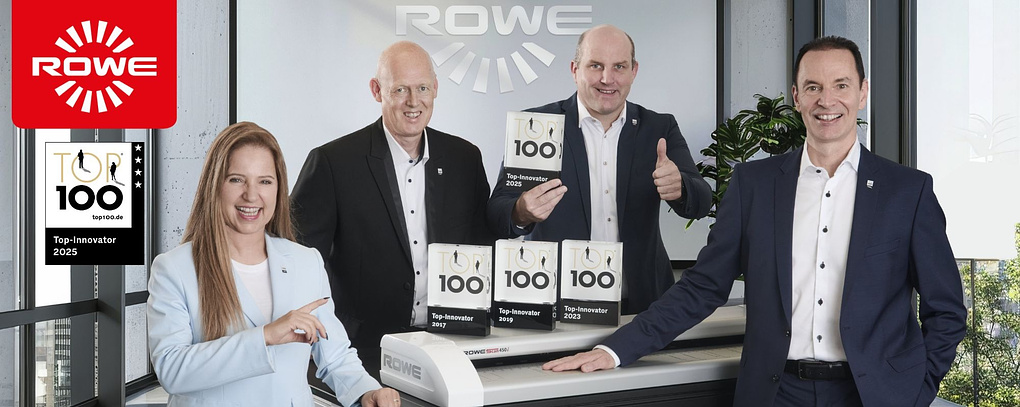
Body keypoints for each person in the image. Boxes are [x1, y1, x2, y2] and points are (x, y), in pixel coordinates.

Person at [542, 36, 968, 407]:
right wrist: (616, 350)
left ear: (862, 93)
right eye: (813, 87)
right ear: (796, 96)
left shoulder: (907, 192)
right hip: (775, 393)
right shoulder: (755, 185)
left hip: (875, 396)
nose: (826, 100)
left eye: (841, 85)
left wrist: (916, 390)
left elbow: (946, 310)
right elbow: (703, 286)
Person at [147, 122, 400, 407]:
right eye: (237, 180)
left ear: (279, 189)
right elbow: (172, 369)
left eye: (265, 181)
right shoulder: (174, 268)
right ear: (214, 185)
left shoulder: (306, 262)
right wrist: (265, 336)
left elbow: (335, 355)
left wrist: (367, 391)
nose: (251, 195)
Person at [291, 41, 493, 378]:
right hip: (361, 351)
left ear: (435, 88)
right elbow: (299, 260)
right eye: (400, 89)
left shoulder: (464, 159)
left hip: (452, 345)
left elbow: (483, 245)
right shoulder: (333, 163)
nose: (413, 101)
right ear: (377, 90)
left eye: (422, 88)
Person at [487, 24, 712, 314]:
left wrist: (680, 186)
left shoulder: (658, 127)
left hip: (641, 308)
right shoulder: (537, 125)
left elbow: (702, 202)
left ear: (634, 71)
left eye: (619, 66)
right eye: (596, 66)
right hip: (556, 305)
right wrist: (521, 211)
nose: (607, 79)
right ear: (575, 69)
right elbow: (497, 211)